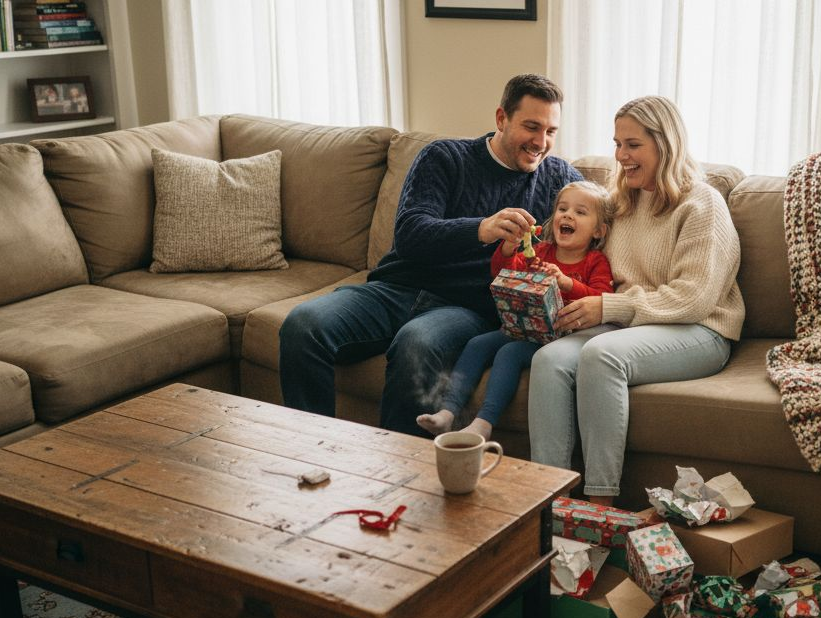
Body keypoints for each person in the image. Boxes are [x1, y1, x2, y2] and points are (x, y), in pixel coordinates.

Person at [279, 74, 584, 434]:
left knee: (416, 343)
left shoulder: (557, 177)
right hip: (395, 289)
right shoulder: (445, 157)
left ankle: (397, 475)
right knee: (302, 325)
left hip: (467, 308)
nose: (541, 142)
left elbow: (603, 216)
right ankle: (312, 451)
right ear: (501, 119)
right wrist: (480, 229)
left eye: (551, 131)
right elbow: (409, 233)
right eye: (531, 127)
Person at [528, 95, 745, 506]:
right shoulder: (622, 201)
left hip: (699, 330)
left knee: (602, 356)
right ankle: (549, 504)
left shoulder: (702, 204)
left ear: (665, 144)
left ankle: (599, 505)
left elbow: (694, 298)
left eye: (632, 145)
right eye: (617, 143)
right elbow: (569, 240)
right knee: (549, 360)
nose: (621, 156)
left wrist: (608, 308)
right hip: (629, 324)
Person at [417, 180, 615, 440]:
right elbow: (503, 272)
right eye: (562, 209)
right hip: (521, 327)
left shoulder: (595, 261)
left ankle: (484, 423)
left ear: (599, 231)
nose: (567, 215)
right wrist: (509, 248)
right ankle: (448, 412)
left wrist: (567, 283)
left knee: (509, 353)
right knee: (477, 344)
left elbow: (603, 298)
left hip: (558, 337)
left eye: (580, 212)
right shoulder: (541, 251)